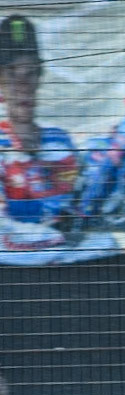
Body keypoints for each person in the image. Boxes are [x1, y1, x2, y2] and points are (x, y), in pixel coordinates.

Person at [0, 13, 78, 251]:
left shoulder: (62, 143)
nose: (23, 86)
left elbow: (82, 210)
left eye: (30, 73)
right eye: (13, 74)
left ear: (40, 77)